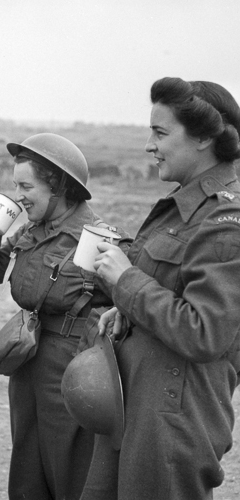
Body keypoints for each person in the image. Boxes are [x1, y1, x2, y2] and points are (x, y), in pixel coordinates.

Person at [87, 77, 240, 500]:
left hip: (173, 420)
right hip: (138, 405)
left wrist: (127, 282)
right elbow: (173, 290)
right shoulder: (180, 208)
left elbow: (206, 331)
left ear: (205, 137)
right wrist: (127, 307)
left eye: (160, 132)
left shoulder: (225, 220)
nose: (149, 145)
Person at [0, 133, 131, 500]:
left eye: (26, 185)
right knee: (27, 468)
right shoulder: (30, 229)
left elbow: (127, 301)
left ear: (57, 185)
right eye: (15, 185)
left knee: (69, 469)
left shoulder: (97, 239)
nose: (19, 195)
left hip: (72, 366)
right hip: (28, 359)